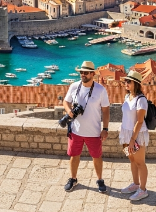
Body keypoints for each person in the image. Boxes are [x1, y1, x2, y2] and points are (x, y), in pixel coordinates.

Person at [62, 61, 110, 193]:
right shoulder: (74, 86)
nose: (82, 74)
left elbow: (106, 110)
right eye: (81, 72)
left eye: (85, 72)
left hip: (94, 132)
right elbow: (66, 101)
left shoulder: (101, 90)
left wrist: (105, 129)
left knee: (97, 157)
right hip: (75, 130)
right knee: (74, 156)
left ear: (92, 74)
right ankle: (73, 178)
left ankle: (100, 180)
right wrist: (69, 111)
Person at [119, 70, 149, 201]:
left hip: (136, 135)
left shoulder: (141, 100)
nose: (125, 83)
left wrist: (132, 139)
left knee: (140, 162)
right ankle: (135, 184)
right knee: (131, 159)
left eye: (128, 81)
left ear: (135, 83)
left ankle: (143, 190)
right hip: (126, 134)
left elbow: (140, 121)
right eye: (125, 81)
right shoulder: (127, 97)